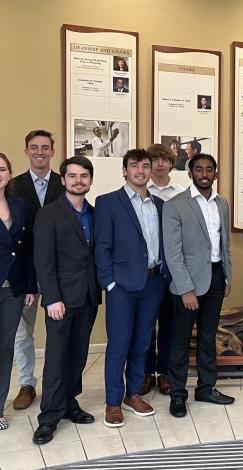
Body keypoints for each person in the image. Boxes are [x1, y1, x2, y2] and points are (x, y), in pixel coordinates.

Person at [95, 149, 170, 428]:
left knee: (142, 342)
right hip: (122, 286)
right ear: (125, 171)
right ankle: (113, 402)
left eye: (145, 165)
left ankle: (133, 393)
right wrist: (110, 284)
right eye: (134, 165)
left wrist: (163, 277)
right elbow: (101, 247)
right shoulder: (108, 203)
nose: (141, 170)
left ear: (151, 171)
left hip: (153, 282)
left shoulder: (159, 205)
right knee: (119, 344)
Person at [32, 156, 101, 445]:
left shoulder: (95, 214)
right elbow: (43, 261)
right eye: (72, 176)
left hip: (88, 296)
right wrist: (52, 298)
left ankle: (70, 404)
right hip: (60, 300)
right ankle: (48, 417)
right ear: (62, 180)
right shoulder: (49, 214)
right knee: (57, 359)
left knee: (78, 356)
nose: (78, 181)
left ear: (90, 180)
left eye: (84, 176)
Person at [164, 154, 234, 418]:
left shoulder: (222, 204)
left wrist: (227, 277)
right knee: (180, 341)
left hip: (216, 278)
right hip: (188, 283)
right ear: (190, 173)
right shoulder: (175, 205)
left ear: (215, 174)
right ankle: (178, 395)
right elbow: (173, 253)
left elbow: (223, 244)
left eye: (209, 169)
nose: (204, 173)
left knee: (207, 337)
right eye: (198, 169)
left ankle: (206, 388)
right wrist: (185, 289)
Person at [8, 130, 65, 411]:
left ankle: (59, 383)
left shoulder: (64, 183)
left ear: (52, 151)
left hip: (58, 271)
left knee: (59, 331)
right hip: (24, 272)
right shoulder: (13, 186)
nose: (39, 152)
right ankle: (27, 383)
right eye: (34, 147)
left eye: (45, 147)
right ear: (26, 151)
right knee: (22, 333)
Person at [142, 144, 185, 395]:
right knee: (146, 325)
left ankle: (165, 373)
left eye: (164, 160)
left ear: (171, 164)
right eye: (154, 160)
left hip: (173, 271)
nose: (159, 164)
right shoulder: (140, 191)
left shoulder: (181, 194)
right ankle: (146, 372)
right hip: (148, 270)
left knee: (170, 324)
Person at [0, 153, 36, 432]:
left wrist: (29, 287)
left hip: (13, 289)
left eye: (1, 169)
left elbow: (25, 251)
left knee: (4, 349)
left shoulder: (19, 205)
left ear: (10, 174)